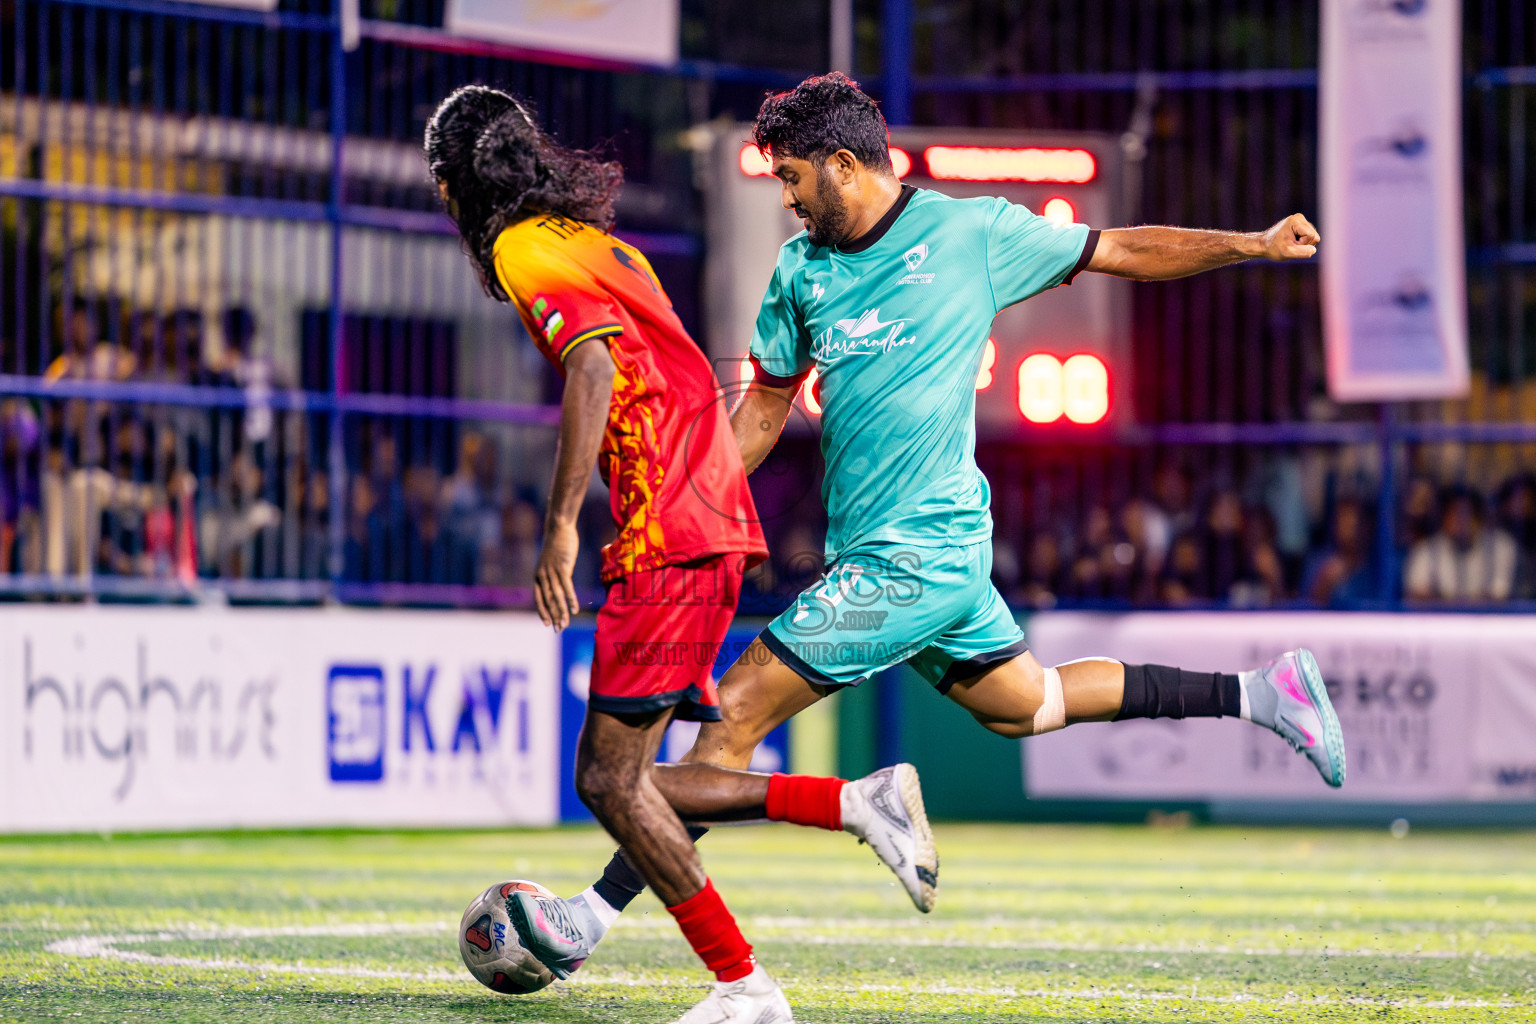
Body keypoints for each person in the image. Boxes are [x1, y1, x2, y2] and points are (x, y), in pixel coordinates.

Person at [532, 73, 1349, 995]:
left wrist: (1251, 243)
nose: (788, 197)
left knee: (732, 718)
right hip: (908, 560)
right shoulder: (801, 271)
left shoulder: (973, 234)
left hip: (914, 558)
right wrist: (683, 493)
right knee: (1026, 704)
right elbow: (761, 411)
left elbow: (1121, 247)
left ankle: (588, 919)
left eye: (794, 177)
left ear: (845, 165)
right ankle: (1263, 693)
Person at [425, 84, 939, 1024]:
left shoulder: (521, 249)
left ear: (454, 185)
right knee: (630, 776)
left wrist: (561, 527)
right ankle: (853, 806)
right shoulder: (597, 244)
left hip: (668, 528)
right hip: (708, 519)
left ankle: (746, 987)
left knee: (608, 779)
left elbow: (591, 365)